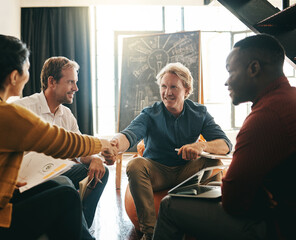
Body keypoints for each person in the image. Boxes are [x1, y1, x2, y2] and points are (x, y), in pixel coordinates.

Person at [0, 34, 116, 240]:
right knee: (66, 196)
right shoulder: (5, 114)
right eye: (27, 69)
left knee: (58, 186)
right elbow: (64, 142)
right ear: (14, 76)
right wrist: (101, 144)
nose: (29, 75)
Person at [153, 34, 296, 240]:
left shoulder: (265, 117)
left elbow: (233, 202)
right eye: (164, 87)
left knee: (169, 205)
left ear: (253, 68)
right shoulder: (289, 99)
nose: (226, 82)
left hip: (277, 227)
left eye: (230, 71)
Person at [104, 62, 232, 240]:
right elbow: (129, 134)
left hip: (187, 171)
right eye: (163, 86)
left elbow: (225, 144)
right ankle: (150, 232)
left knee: (214, 163)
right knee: (135, 164)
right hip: (157, 172)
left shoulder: (199, 113)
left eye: (174, 87)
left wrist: (200, 146)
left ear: (186, 91)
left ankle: (212, 221)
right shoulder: (150, 113)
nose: (167, 92)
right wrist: (115, 144)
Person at [13, 56, 111, 230]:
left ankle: (82, 228)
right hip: (31, 178)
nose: (76, 88)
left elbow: (79, 148)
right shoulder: (24, 108)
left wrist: (95, 158)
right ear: (52, 82)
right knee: (64, 181)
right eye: (71, 82)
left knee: (100, 172)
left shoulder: (66, 114)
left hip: (58, 169)